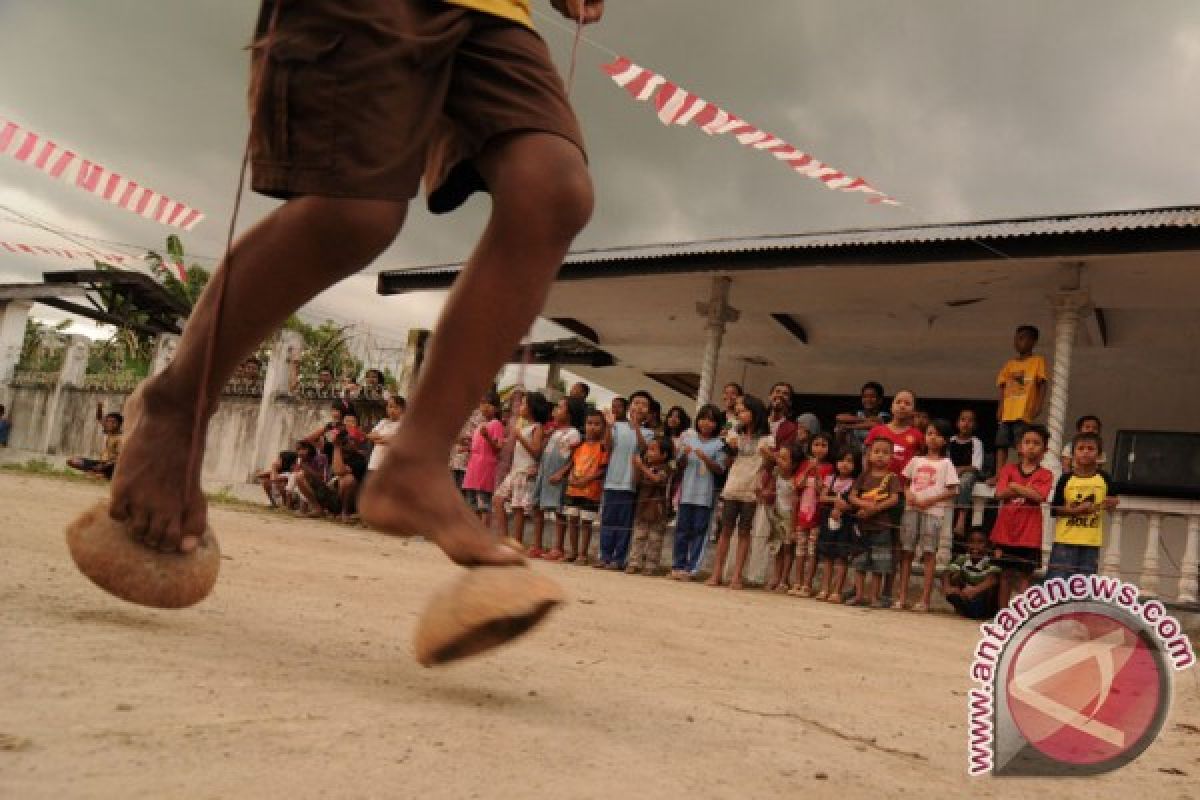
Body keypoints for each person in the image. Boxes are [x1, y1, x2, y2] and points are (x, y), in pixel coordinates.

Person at [107, 0, 603, 583]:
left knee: (553, 188)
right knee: (355, 213)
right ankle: (175, 407)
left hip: (496, 13)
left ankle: (416, 463)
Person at [707, 394, 774, 589]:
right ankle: (716, 573)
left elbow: (769, 467)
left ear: (755, 412)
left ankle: (737, 576)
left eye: (744, 410)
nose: (740, 414)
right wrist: (730, 448)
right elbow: (726, 462)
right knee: (725, 530)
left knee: (745, 532)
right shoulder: (734, 434)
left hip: (752, 489)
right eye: (738, 411)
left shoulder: (766, 438)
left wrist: (769, 456)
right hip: (733, 485)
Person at [896, 419, 959, 612]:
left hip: (933, 512)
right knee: (906, 552)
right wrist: (909, 495)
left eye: (938, 435)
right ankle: (902, 597)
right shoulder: (916, 460)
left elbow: (952, 490)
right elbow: (905, 483)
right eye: (930, 433)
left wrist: (929, 501)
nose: (932, 438)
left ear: (945, 440)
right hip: (911, 509)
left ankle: (924, 600)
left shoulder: (946, 463)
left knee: (929, 554)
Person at [988, 425, 1053, 607]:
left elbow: (1039, 496)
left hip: (1029, 533)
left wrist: (1015, 487)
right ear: (1019, 447)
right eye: (1027, 442)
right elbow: (1000, 493)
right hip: (1005, 530)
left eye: (1036, 443)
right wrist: (1025, 490)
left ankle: (1021, 615)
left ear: (1045, 449)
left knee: (1025, 576)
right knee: (1005, 574)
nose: (1031, 447)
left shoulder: (1045, 474)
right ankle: (1002, 615)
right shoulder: (1008, 469)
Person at [1046, 431, 1118, 581]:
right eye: (1081, 448)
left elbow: (1112, 504)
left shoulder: (1105, 478)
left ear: (1099, 455)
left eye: (1090, 449)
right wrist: (1077, 510)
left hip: (1091, 542)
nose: (1085, 452)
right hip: (1065, 540)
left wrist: (1112, 503)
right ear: (1073, 454)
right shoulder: (1066, 478)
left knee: (1083, 587)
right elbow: (1055, 509)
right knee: (1057, 584)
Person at [596, 391, 654, 569]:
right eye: (636, 403)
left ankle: (618, 558)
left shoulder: (649, 432)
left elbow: (644, 448)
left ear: (649, 411)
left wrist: (636, 426)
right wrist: (608, 426)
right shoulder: (617, 426)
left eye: (643, 404)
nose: (639, 407)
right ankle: (604, 556)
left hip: (630, 484)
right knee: (608, 520)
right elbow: (607, 445)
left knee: (624, 523)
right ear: (629, 407)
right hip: (612, 480)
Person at [672, 404, 726, 580]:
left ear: (717, 424)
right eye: (703, 418)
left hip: (705, 496)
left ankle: (692, 568)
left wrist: (706, 459)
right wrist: (684, 456)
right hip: (686, 493)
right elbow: (678, 466)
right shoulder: (688, 440)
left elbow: (720, 469)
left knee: (699, 532)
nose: (706, 423)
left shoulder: (719, 444)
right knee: (681, 530)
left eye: (711, 420)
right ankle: (677, 565)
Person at [846, 438, 902, 607]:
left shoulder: (892, 477)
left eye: (885, 453)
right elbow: (851, 496)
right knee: (860, 563)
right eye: (876, 452)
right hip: (863, 527)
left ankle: (874, 597)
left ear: (891, 457)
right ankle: (859, 595)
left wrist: (875, 509)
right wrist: (865, 505)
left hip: (881, 527)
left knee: (879, 563)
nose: (880, 456)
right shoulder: (864, 476)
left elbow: (894, 499)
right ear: (869, 455)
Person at [493, 391, 550, 551]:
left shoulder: (536, 428)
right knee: (498, 500)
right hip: (515, 470)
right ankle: (504, 538)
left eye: (524, 404)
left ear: (532, 408)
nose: (521, 407)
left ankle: (516, 543)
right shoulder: (523, 426)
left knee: (518, 508)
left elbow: (536, 451)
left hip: (525, 471)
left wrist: (520, 437)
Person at [530, 396, 584, 560]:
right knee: (537, 507)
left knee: (558, 511)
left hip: (558, 476)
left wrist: (562, 472)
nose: (555, 411)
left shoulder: (573, 433)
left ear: (570, 413)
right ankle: (537, 545)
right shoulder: (554, 431)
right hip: (544, 474)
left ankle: (558, 547)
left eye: (560, 408)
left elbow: (575, 457)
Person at [993, 324, 1047, 480]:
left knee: (1021, 444)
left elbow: (1042, 383)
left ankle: (1019, 474)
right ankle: (999, 474)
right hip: (1007, 412)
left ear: (1033, 341)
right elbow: (1003, 387)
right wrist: (1000, 407)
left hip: (1023, 412)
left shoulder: (1037, 361)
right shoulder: (1009, 364)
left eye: (1023, 338)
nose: (1018, 342)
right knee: (1001, 443)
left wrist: (1039, 405)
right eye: (1016, 338)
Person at [788, 432, 834, 597]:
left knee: (812, 551)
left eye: (824, 445)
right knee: (800, 550)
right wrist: (808, 470)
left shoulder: (829, 468)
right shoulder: (803, 465)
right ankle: (797, 582)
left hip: (817, 516)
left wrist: (818, 475)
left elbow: (824, 491)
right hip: (802, 515)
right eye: (816, 444)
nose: (819, 448)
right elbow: (797, 486)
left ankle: (808, 584)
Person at [813, 447, 860, 603]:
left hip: (845, 522)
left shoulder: (855, 482)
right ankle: (824, 588)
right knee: (827, 556)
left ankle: (837, 591)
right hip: (828, 521)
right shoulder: (830, 479)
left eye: (849, 461)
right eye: (841, 460)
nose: (844, 464)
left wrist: (843, 506)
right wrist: (836, 501)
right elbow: (822, 497)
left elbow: (852, 504)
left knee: (841, 557)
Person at [564, 409, 608, 564]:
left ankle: (583, 553)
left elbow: (602, 469)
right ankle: (573, 551)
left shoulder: (602, 447)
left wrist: (587, 480)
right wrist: (570, 477)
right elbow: (573, 464)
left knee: (586, 522)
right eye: (589, 423)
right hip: (574, 488)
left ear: (603, 427)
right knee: (572, 519)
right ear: (585, 425)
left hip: (591, 490)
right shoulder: (579, 446)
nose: (592, 427)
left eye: (597, 424)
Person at [626, 435, 674, 575]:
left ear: (664, 455)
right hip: (642, 507)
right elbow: (636, 481)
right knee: (639, 536)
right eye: (648, 450)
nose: (648, 453)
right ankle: (634, 562)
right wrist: (636, 467)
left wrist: (641, 467)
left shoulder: (666, 467)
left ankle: (651, 566)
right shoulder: (645, 466)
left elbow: (657, 479)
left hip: (658, 509)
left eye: (653, 450)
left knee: (655, 539)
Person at [461, 391, 506, 525]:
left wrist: (487, 437)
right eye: (482, 403)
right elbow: (478, 446)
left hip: (485, 466)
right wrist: (467, 447)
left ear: (496, 408)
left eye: (488, 404)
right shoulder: (481, 424)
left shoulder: (496, 424)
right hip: (474, 466)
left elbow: (498, 447)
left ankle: (482, 532)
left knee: (483, 504)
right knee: (472, 502)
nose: (484, 407)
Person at [763, 441, 800, 592]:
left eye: (784, 459)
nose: (779, 461)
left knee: (787, 549)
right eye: (779, 457)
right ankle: (776, 576)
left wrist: (793, 526)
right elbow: (772, 489)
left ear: (794, 463)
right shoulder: (777, 473)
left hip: (789, 517)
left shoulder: (795, 480)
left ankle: (784, 579)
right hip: (777, 515)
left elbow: (796, 504)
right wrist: (767, 493)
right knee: (777, 548)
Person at [942, 530, 1001, 620]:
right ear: (966, 544)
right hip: (966, 596)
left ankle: (981, 614)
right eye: (971, 542)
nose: (975, 546)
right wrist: (947, 588)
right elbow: (946, 573)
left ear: (988, 545)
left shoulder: (990, 560)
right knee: (954, 577)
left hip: (983, 600)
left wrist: (974, 590)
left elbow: (993, 579)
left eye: (980, 542)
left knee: (991, 589)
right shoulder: (963, 558)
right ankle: (965, 610)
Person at [948, 408, 984, 541]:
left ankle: (961, 518)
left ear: (974, 425)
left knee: (965, 480)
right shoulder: (950, 441)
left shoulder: (976, 442)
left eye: (970, 420)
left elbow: (976, 466)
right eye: (963, 419)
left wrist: (962, 469)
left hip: (967, 473)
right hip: (951, 473)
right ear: (957, 423)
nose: (966, 423)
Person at [68, 407, 124, 480]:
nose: (109, 424)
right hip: (102, 463)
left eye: (113, 422)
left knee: (111, 468)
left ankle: (103, 475)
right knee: (72, 460)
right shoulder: (110, 431)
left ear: (119, 424)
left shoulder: (121, 438)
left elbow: (120, 458)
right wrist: (99, 407)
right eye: (108, 421)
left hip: (112, 466)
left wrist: (104, 466)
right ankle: (98, 474)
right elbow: (99, 418)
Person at [834, 381, 889, 449]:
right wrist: (864, 419)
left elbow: (875, 425)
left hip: (874, 453)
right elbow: (839, 417)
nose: (868, 400)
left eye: (872, 397)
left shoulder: (885, 416)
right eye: (865, 397)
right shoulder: (858, 414)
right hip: (855, 453)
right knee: (839, 428)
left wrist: (849, 426)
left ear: (880, 400)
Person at [366, 395, 406, 477]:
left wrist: (379, 438)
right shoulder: (383, 422)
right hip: (375, 462)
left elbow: (393, 441)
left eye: (395, 407)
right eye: (389, 406)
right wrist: (384, 438)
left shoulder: (404, 425)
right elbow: (370, 435)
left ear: (402, 409)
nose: (391, 410)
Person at [767, 382, 798, 447]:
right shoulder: (758, 421)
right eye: (777, 391)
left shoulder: (792, 429)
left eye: (785, 394)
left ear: (790, 402)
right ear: (770, 397)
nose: (780, 395)